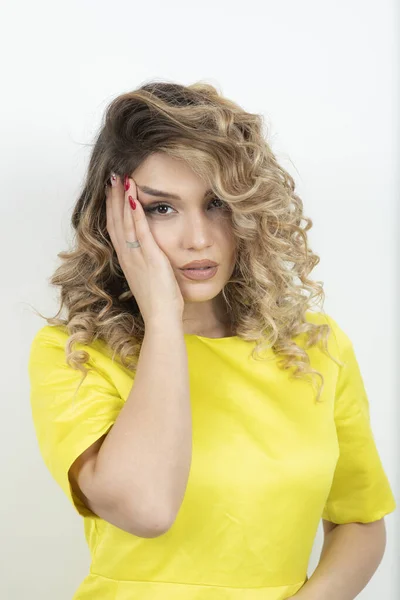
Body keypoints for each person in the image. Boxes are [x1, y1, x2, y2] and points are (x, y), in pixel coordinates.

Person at [28, 81, 396, 600]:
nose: (198, 238)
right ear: (115, 219)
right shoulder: (75, 353)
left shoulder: (314, 345)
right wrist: (163, 321)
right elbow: (147, 508)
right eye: (161, 208)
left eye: (217, 203)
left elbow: (360, 521)